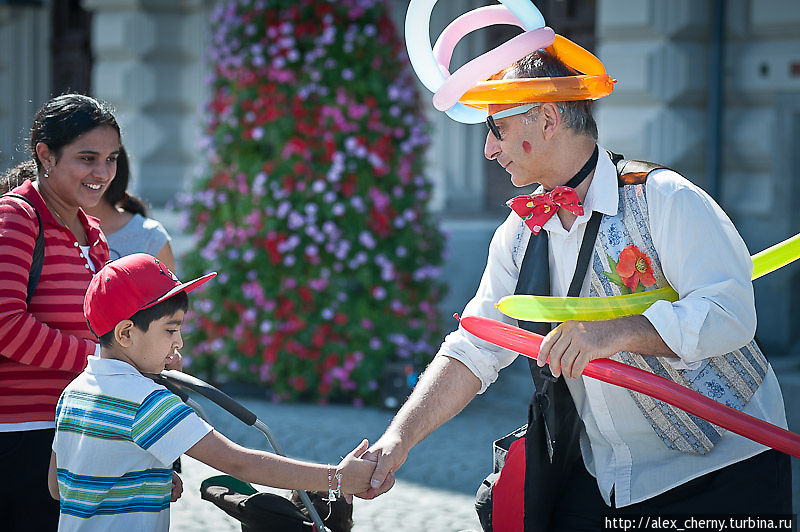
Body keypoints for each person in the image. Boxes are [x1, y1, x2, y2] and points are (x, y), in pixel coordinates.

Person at [358, 50, 791, 530]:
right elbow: (476, 345)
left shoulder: (664, 198)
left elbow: (729, 314)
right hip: (601, 479)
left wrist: (614, 332)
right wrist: (397, 440)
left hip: (722, 473)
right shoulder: (519, 232)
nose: (488, 149)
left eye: (496, 128)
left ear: (546, 120)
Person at [47, 253, 375, 531]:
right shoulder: (146, 401)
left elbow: (57, 487)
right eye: (171, 329)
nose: (179, 342)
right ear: (126, 333)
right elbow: (240, 463)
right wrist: (337, 478)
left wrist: (148, 481)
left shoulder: (75, 391)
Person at [0, 93, 120, 531]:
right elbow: (5, 326)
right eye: (87, 157)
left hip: (76, 432)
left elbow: (107, 330)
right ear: (45, 155)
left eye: (111, 159)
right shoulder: (16, 217)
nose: (103, 173)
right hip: (18, 439)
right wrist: (100, 360)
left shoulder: (94, 233)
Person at [84, 145, 176, 271]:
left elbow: (171, 290)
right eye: (86, 158)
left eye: (110, 159)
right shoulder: (49, 234)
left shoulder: (149, 237)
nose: (98, 172)